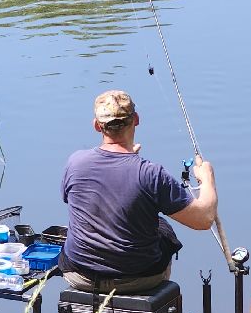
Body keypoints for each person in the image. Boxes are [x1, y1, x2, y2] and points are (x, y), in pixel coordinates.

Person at [60, 89, 218, 294]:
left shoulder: (75, 163)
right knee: (162, 226)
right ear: (136, 119)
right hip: (140, 278)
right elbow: (204, 219)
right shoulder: (151, 174)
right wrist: (207, 179)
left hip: (80, 275)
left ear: (97, 126)